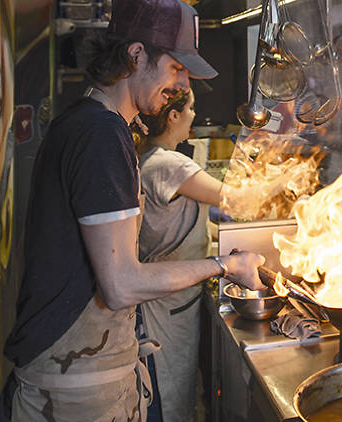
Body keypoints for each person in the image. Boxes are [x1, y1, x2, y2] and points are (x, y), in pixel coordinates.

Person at [0, 1, 266, 421]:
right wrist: (226, 265)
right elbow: (121, 284)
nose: (182, 83)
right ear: (136, 55)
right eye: (176, 67)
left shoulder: (95, 123)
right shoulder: (100, 134)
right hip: (74, 386)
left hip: (84, 369)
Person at [131, 88, 222, 422]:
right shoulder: (168, 164)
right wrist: (283, 180)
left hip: (172, 299)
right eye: (192, 109)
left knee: (178, 390)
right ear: (173, 116)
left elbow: (175, 224)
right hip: (163, 305)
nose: (194, 116)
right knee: (165, 395)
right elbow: (234, 198)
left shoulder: (151, 158)